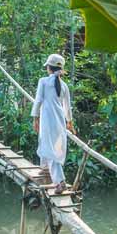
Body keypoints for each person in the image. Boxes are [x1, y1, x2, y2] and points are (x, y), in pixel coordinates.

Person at [31, 53, 74, 193]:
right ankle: (45, 169)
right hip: (59, 120)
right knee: (50, 146)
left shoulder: (43, 81)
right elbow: (68, 107)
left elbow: (38, 100)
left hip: (47, 120)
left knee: (49, 149)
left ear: (49, 68)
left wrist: (35, 118)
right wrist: (70, 123)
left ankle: (60, 181)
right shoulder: (65, 86)